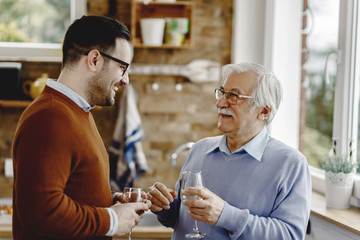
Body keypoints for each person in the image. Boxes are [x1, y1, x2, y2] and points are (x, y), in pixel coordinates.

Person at [12, 15, 151, 240]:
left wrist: (112, 201)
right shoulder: (50, 117)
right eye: (122, 67)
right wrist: (113, 220)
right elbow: (41, 211)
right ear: (94, 60)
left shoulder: (77, 112)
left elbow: (76, 189)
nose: (125, 80)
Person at [147, 63, 311, 239]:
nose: (220, 102)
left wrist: (225, 216)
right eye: (222, 93)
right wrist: (165, 207)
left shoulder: (291, 164)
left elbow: (290, 235)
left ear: (264, 111)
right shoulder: (199, 149)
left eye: (234, 96)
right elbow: (180, 220)